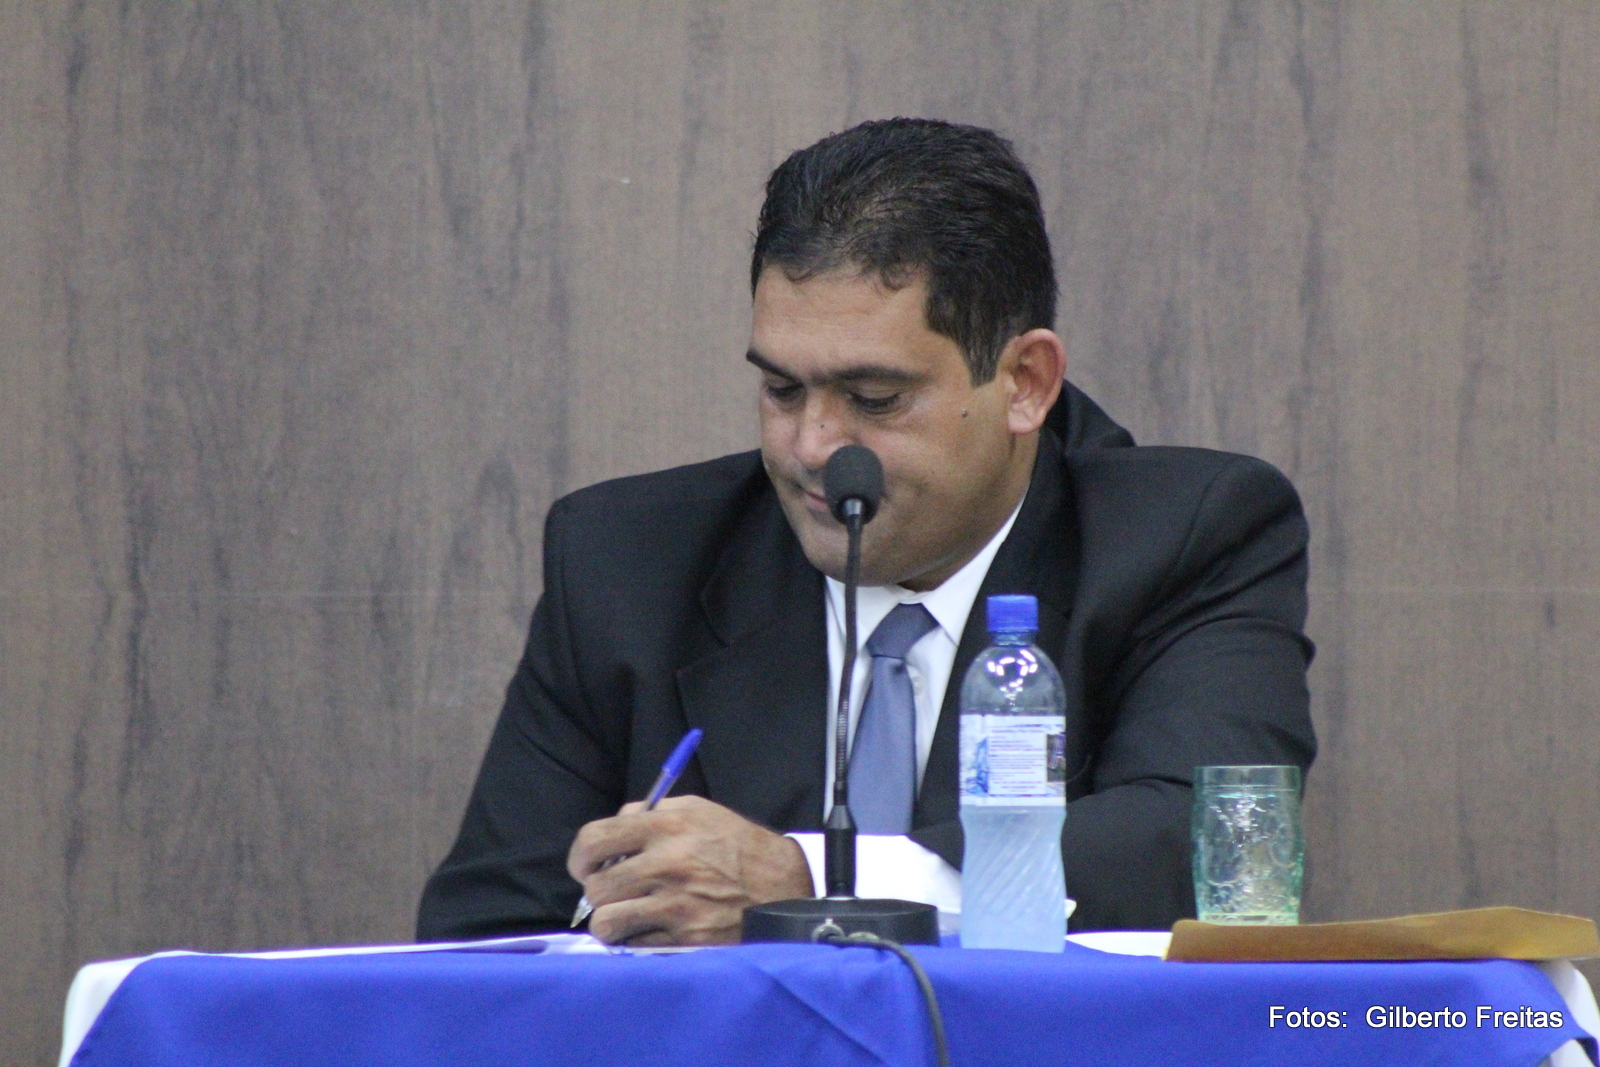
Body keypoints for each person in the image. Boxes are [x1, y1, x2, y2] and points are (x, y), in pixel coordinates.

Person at [417, 118, 1316, 946]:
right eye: (781, 389)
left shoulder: (1187, 536)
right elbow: (483, 937)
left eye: (874, 398)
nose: (811, 446)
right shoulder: (626, 562)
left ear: (1025, 383)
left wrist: (811, 885)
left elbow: (1204, 848)